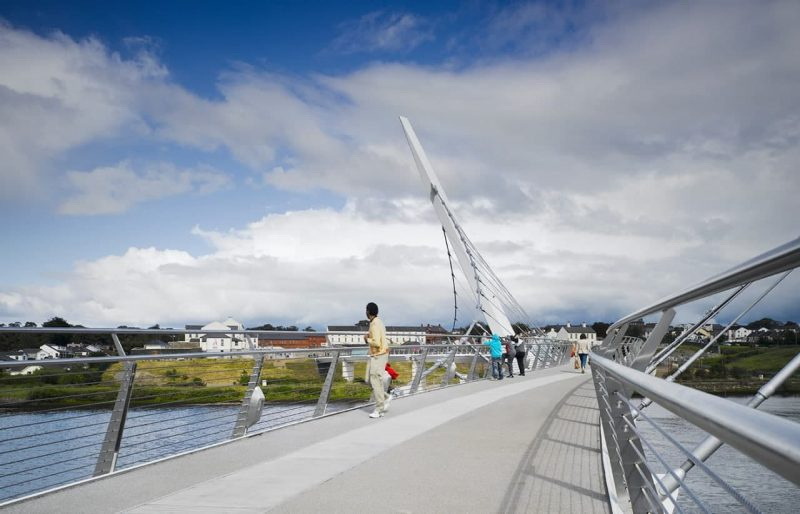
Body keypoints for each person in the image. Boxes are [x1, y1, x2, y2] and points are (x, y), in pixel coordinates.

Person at [364, 302, 390, 418]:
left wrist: (367, 339)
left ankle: (379, 409)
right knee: (376, 379)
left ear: (368, 311)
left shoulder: (374, 324)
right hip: (383, 353)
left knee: (374, 380)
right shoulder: (379, 322)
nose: (366, 312)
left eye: (366, 310)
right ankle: (384, 398)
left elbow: (376, 342)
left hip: (378, 355)